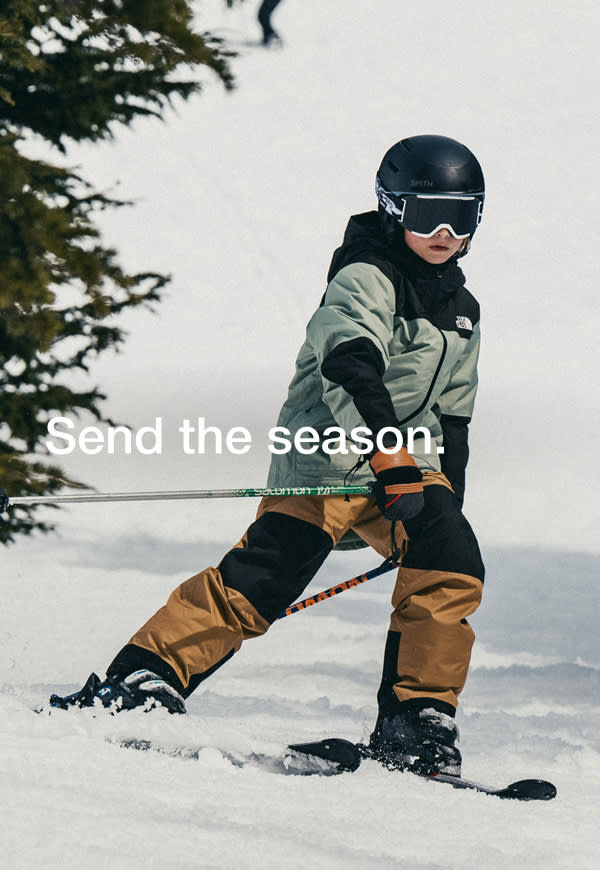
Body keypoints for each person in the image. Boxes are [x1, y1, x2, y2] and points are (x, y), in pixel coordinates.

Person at [51, 135, 487, 778]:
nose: (444, 233)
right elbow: (350, 362)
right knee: (268, 576)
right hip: (327, 458)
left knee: (452, 559)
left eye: (462, 215)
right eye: (427, 216)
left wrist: (442, 502)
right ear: (394, 209)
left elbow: (454, 414)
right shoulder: (365, 277)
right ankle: (144, 677)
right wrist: (385, 448)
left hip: (406, 469)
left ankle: (418, 718)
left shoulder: (462, 310)